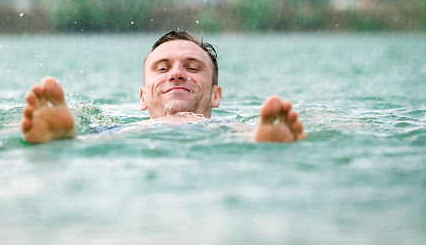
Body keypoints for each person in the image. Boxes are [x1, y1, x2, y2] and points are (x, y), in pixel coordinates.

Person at [21, 31, 306, 144]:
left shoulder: (240, 130)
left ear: (216, 95)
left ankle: (268, 142)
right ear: (142, 97)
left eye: (193, 67)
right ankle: (61, 134)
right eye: (162, 68)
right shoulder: (113, 131)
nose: (177, 74)